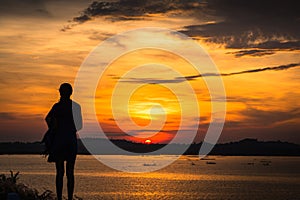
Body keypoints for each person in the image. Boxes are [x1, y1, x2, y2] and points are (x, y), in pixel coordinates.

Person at [45, 83, 82, 200]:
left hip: (60, 142)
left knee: (60, 172)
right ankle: (70, 198)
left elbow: (47, 119)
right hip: (70, 141)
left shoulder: (57, 107)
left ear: (60, 92)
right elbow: (80, 126)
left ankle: (60, 198)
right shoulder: (76, 106)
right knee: (70, 172)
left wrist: (54, 127)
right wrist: (70, 128)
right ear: (71, 93)